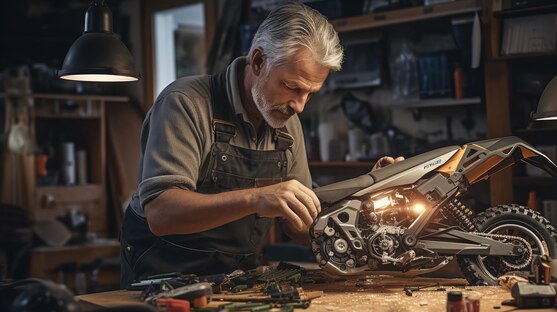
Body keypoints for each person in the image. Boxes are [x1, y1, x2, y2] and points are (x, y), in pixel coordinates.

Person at [119, 3, 403, 288]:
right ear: (258, 62)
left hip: (235, 283)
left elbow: (304, 228)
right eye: (292, 87)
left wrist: (367, 193)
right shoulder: (185, 103)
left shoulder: (286, 122)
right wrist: (257, 198)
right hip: (162, 279)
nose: (300, 106)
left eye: (310, 93)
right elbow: (161, 214)